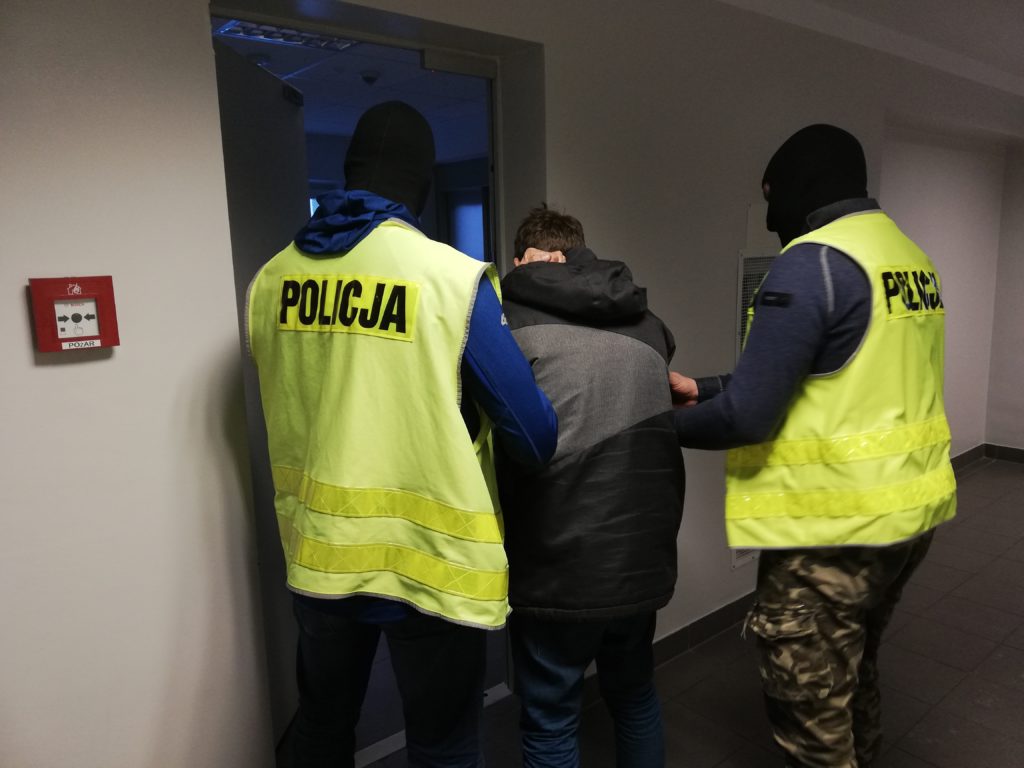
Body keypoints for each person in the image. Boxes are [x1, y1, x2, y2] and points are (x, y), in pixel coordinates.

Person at [245, 101, 558, 768]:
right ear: (419, 182)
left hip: (320, 557)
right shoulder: (447, 278)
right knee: (443, 747)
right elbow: (533, 436)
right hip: (426, 566)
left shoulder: (271, 280)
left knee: (321, 728)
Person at [671, 124, 956, 768]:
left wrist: (646, 424)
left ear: (797, 188)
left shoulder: (813, 261)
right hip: (905, 518)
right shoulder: (905, 255)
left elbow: (748, 416)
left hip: (832, 530)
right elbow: (831, 369)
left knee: (811, 718)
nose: (771, 218)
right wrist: (703, 387)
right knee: (853, 670)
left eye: (771, 197)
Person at [498, 205, 685, 768]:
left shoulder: (504, 324)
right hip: (640, 555)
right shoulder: (647, 321)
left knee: (551, 719)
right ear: (577, 252)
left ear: (521, 260)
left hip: (557, 563)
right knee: (634, 696)